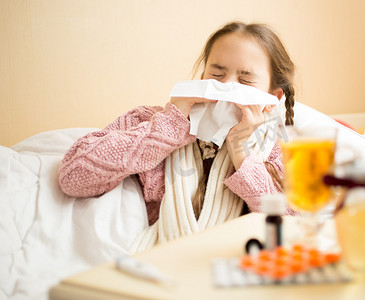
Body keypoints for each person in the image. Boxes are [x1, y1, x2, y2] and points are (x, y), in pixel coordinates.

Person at [59, 21, 297, 247]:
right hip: (159, 264)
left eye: (245, 80)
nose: (227, 88)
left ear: (271, 98)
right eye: (217, 75)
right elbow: (73, 176)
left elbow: (294, 228)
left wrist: (241, 152)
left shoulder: (277, 152)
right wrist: (171, 125)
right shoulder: (149, 121)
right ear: (203, 78)